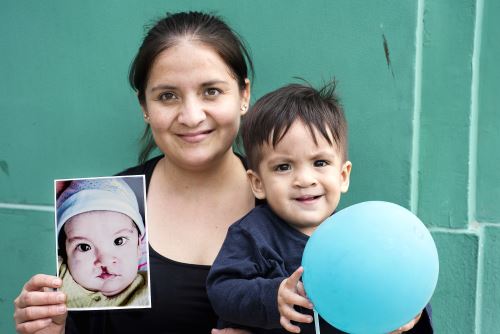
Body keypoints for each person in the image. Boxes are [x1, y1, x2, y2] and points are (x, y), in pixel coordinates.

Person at [13, 11, 255, 334]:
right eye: (167, 96)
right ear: (144, 106)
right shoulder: (100, 204)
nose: (192, 115)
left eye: (211, 91)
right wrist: (51, 329)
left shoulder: (296, 205)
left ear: (243, 95)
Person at [207, 83, 433, 334]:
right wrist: (274, 297)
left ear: (343, 175)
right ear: (258, 183)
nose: (304, 179)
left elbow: (399, 284)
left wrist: (407, 317)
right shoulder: (253, 234)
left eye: (320, 162)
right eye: (283, 167)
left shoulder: (363, 238)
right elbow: (222, 289)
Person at [56, 177, 149, 308]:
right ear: (65, 253)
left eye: (119, 241)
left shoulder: (152, 288)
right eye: (84, 247)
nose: (105, 261)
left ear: (139, 247)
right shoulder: (58, 277)